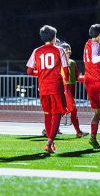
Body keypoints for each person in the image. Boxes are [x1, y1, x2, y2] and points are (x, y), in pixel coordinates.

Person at [26, 25, 69, 153]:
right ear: (54, 37)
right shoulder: (59, 50)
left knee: (47, 114)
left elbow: (29, 71)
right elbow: (66, 71)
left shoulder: (36, 51)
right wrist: (65, 82)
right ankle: (49, 142)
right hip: (56, 86)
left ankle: (51, 141)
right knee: (57, 113)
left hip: (43, 86)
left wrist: (41, 73)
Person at [60, 42, 88, 138]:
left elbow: (77, 77)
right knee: (73, 110)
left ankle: (47, 129)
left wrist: (87, 78)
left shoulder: (72, 62)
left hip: (71, 89)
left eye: (69, 49)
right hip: (64, 89)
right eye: (66, 49)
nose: (68, 51)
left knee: (63, 111)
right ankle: (78, 132)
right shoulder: (58, 62)